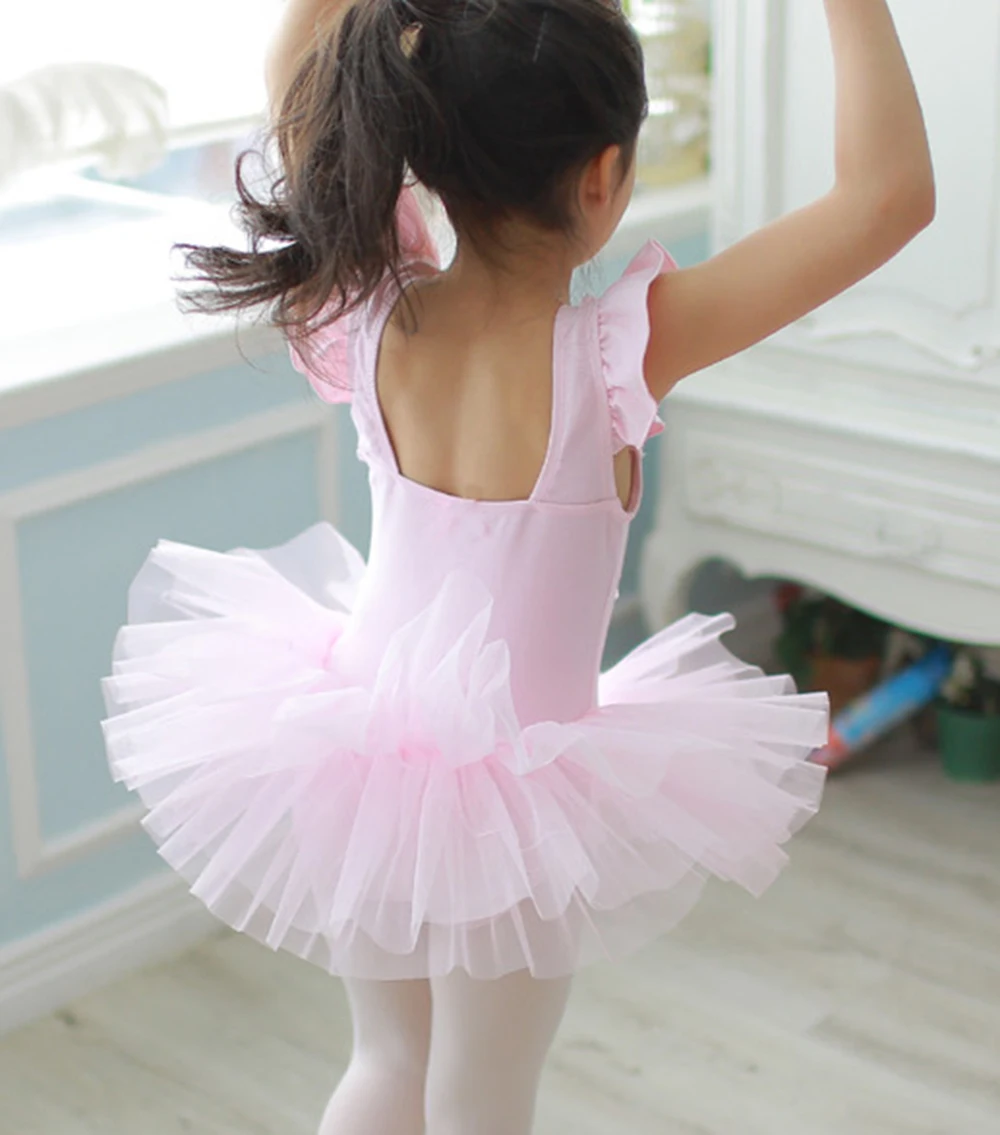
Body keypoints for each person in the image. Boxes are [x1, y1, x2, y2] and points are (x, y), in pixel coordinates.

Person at [100, 1, 934, 1131]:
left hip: (360, 745)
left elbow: (296, 68)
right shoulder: (620, 348)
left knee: (389, 1060)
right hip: (515, 790)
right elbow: (888, 198)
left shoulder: (370, 301)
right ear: (603, 175)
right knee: (482, 1094)